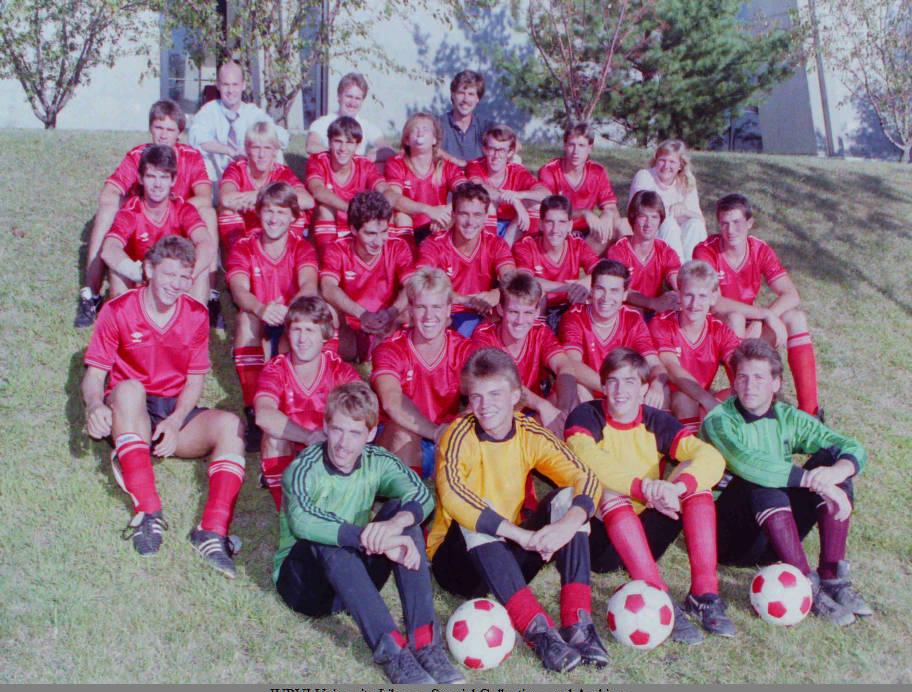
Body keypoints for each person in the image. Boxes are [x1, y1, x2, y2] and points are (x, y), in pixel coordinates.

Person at [428, 348, 607, 672]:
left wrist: (569, 523)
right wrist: (520, 535)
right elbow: (454, 497)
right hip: (456, 565)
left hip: (507, 557)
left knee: (569, 498)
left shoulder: (529, 432)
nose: (484, 405)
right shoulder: (457, 435)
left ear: (515, 396)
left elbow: (586, 477)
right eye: (476, 396)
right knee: (475, 514)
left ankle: (578, 625)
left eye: (495, 394)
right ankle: (540, 634)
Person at [274, 381, 464, 684]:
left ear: (371, 434)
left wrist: (395, 525)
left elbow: (420, 494)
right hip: (304, 586)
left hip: (356, 584)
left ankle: (425, 642)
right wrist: (374, 539)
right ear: (325, 426)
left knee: (404, 516)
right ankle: (392, 652)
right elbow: (303, 521)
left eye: (355, 433)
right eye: (337, 430)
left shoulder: (377, 461)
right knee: (328, 537)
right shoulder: (303, 468)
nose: (343, 443)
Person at [82, 236, 246, 577]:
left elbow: (195, 380)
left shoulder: (195, 314)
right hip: (130, 410)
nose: (177, 284)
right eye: (169, 274)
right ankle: (148, 512)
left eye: (184, 277)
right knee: (129, 390)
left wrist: (175, 421)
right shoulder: (118, 309)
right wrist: (95, 405)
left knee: (232, 425)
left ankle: (212, 532)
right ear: (148, 270)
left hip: (172, 411)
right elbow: (95, 374)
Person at [564, 348, 735, 645]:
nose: (620, 390)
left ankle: (704, 595)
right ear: (603, 385)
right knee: (605, 489)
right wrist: (644, 488)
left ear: (644, 388)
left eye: (630, 382)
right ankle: (659, 596)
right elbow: (590, 461)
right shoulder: (585, 415)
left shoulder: (656, 420)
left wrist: (676, 489)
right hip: (601, 542)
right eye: (613, 381)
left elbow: (711, 457)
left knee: (696, 481)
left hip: (645, 531)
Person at [702, 339, 871, 625]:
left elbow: (848, 445)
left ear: (776, 383)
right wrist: (815, 482)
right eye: (742, 377)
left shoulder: (787, 416)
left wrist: (837, 473)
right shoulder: (719, 420)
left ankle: (832, 578)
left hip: (777, 532)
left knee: (831, 460)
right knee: (760, 480)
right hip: (729, 538)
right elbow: (747, 461)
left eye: (759, 377)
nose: (749, 385)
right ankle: (806, 586)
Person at [75, 99, 214, 328]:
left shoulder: (190, 157)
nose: (163, 135)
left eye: (170, 129)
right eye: (159, 128)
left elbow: (205, 198)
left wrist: (171, 206)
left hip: (177, 229)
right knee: (108, 212)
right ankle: (92, 294)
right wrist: (140, 206)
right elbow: (108, 195)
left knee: (207, 213)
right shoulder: (139, 156)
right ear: (150, 128)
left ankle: (208, 300)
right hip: (139, 229)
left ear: (179, 133)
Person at [694, 193, 820, 416]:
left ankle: (810, 412)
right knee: (735, 318)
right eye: (724, 223)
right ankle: (744, 405)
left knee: (796, 318)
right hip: (715, 333)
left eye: (737, 222)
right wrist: (763, 315)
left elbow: (791, 294)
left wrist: (764, 318)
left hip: (749, 326)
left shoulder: (759, 249)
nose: (730, 230)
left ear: (749, 223)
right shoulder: (706, 250)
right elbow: (716, 303)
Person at [226, 182, 319, 451]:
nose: (274, 218)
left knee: (301, 327)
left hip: (290, 315)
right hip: (262, 314)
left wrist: (290, 312)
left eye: (281, 212)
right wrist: (261, 308)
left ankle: (290, 407)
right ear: (258, 212)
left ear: (293, 217)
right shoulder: (244, 246)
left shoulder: (302, 247)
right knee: (246, 320)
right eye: (268, 211)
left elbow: (309, 285)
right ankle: (252, 406)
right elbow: (238, 289)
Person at [254, 296, 361, 509]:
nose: (302, 339)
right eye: (297, 330)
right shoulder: (276, 368)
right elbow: (263, 415)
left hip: (329, 446)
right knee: (273, 437)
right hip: (295, 444)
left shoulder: (340, 370)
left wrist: (330, 439)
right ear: (288, 333)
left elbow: (364, 412)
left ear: (325, 335)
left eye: (310, 330)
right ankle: (288, 510)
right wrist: (308, 437)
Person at [371, 269, 475, 477]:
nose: (429, 316)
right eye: (421, 307)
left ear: (448, 309)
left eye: (436, 307)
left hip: (444, 434)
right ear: (410, 309)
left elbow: (489, 391)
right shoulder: (390, 349)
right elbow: (392, 402)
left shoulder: (463, 348)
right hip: (397, 439)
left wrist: (455, 427)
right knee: (403, 430)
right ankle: (408, 494)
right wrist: (436, 433)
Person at [100, 145, 214, 303]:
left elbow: (206, 243)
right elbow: (109, 249)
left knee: (201, 271)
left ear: (173, 180)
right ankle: (126, 318)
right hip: (142, 279)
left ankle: (193, 317)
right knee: (116, 272)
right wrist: (142, 274)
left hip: (173, 280)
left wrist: (188, 275)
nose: (158, 184)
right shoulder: (131, 211)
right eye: (151, 177)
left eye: (164, 177)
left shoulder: (182, 208)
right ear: (140, 178)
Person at [471, 273, 579, 435]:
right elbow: (501, 383)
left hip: (533, 414)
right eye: (514, 312)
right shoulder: (484, 336)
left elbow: (564, 366)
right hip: (500, 415)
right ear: (500, 310)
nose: (520, 321)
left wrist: (562, 411)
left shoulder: (540, 331)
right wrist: (542, 405)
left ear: (537, 312)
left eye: (528, 313)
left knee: (572, 391)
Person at [559, 260, 668, 407]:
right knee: (577, 388)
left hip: (621, 393)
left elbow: (654, 364)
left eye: (614, 290)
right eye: (600, 289)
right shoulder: (575, 316)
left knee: (661, 391)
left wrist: (656, 385)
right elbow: (572, 363)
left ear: (624, 295)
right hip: (593, 389)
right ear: (591, 290)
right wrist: (611, 390)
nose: (606, 297)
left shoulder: (632, 319)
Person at [319, 191, 412, 362]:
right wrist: (361, 314)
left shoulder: (397, 247)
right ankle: (334, 362)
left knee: (413, 305)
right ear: (353, 229)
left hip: (386, 323)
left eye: (383, 232)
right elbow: (328, 287)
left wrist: (391, 312)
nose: (378, 241)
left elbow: (411, 285)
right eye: (370, 234)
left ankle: (392, 357)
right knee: (326, 309)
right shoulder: (337, 249)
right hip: (351, 326)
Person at [650, 261, 741, 433]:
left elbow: (738, 364)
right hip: (666, 398)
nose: (694, 303)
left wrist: (741, 390)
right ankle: (688, 445)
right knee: (685, 398)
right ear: (679, 294)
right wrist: (707, 400)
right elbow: (672, 368)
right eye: (688, 295)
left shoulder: (719, 330)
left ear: (713, 297)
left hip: (700, 400)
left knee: (746, 391)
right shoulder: (662, 323)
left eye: (702, 296)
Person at [415, 182, 515, 337]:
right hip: (445, 313)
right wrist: (466, 300)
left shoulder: (495, 244)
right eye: (464, 214)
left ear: (486, 217)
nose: (470, 222)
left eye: (477, 215)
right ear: (453, 214)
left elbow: (512, 280)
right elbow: (421, 283)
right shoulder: (434, 244)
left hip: (483, 314)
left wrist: (497, 294)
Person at [217, 121, 313, 255]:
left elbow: (308, 201)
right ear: (247, 149)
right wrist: (275, 199)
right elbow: (226, 199)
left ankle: (286, 256)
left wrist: (259, 196)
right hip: (245, 231)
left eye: (267, 148)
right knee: (227, 211)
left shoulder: (282, 172)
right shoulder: (237, 168)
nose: (261, 154)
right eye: (256, 148)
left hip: (274, 227)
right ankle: (240, 257)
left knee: (297, 212)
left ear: (275, 151)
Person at [189, 61, 289, 183]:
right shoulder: (208, 111)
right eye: (226, 84)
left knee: (276, 152)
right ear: (218, 85)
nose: (230, 90)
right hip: (216, 178)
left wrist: (251, 150)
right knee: (201, 157)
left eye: (235, 84)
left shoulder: (252, 112)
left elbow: (282, 136)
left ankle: (270, 188)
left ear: (243, 85)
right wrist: (229, 151)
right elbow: (196, 139)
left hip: (247, 176)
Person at [305, 116, 388, 256]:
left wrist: (389, 202)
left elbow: (384, 188)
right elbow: (318, 190)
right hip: (326, 227)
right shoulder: (318, 160)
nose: (343, 148)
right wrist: (350, 209)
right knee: (325, 208)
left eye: (349, 142)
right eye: (338, 141)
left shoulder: (364, 165)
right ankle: (327, 260)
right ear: (329, 142)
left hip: (355, 226)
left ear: (357, 145)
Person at [512, 194, 600, 326]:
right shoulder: (526, 245)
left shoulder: (577, 244)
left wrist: (585, 282)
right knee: (538, 293)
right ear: (540, 224)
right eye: (549, 222)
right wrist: (567, 287)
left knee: (590, 291)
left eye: (562, 222)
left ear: (570, 225)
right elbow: (526, 281)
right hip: (537, 310)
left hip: (568, 306)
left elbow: (602, 271)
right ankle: (538, 333)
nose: (555, 229)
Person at [537, 122, 623, 255]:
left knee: (622, 224)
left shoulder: (597, 172)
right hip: (558, 233)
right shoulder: (550, 171)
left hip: (587, 234)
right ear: (565, 146)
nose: (576, 151)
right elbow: (547, 211)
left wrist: (607, 214)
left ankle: (626, 265)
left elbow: (611, 207)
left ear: (590, 148)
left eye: (581, 145)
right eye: (571, 145)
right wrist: (584, 213)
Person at [384, 112, 467, 246]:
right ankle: (406, 256)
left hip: (437, 225)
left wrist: (446, 211)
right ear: (407, 140)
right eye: (414, 129)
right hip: (408, 226)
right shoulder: (396, 164)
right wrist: (428, 210)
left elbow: (467, 192)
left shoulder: (445, 166)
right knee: (401, 216)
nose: (420, 133)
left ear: (434, 140)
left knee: (457, 212)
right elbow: (393, 199)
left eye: (425, 129)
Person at [466, 124, 549, 245]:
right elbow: (479, 187)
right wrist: (514, 201)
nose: (496, 155)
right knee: (486, 202)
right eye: (491, 149)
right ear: (484, 149)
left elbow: (546, 194)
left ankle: (511, 251)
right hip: (482, 227)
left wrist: (519, 195)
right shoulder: (475, 165)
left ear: (510, 152)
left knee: (535, 204)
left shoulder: (517, 171)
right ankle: (490, 251)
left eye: (501, 150)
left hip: (511, 229)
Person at [629, 140, 707, 262]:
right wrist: (672, 210)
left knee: (695, 225)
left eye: (672, 162)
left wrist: (685, 211)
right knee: (669, 224)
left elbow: (700, 219)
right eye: (662, 160)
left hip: (679, 236)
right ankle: (676, 270)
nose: (666, 166)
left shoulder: (686, 181)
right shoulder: (644, 176)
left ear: (680, 165)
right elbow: (644, 211)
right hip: (647, 231)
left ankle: (695, 269)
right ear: (656, 161)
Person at [606, 190, 681, 316]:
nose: (648, 224)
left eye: (654, 217)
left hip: (655, 313)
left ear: (660, 220)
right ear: (633, 218)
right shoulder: (619, 251)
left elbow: (676, 279)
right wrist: (652, 303)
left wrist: (678, 294)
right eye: (643, 216)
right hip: (625, 314)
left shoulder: (664, 250)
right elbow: (620, 290)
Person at [305, 73, 388, 161]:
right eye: (349, 96)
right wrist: (341, 154)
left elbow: (388, 150)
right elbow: (311, 146)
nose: (352, 103)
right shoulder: (322, 122)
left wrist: (371, 156)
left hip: (358, 167)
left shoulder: (367, 126)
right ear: (339, 96)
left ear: (362, 101)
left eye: (357, 98)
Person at [438, 70, 493, 167]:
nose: (465, 99)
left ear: (477, 99)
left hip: (478, 175)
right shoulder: (438, 124)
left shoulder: (485, 126)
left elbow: (515, 144)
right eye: (461, 93)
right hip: (447, 175)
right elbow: (424, 148)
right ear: (453, 95)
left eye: (471, 94)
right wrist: (458, 162)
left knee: (515, 159)